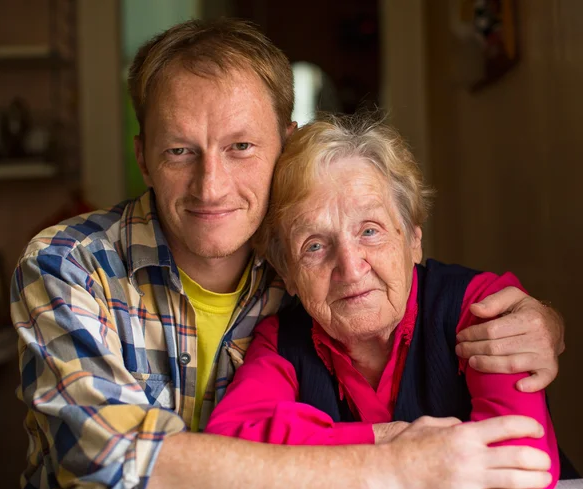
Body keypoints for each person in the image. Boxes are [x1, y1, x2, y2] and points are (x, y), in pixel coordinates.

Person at [10, 18, 565, 489]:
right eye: (180, 151)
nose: (212, 186)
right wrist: (388, 461)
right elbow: (111, 457)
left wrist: (545, 322)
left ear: (286, 143)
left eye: (241, 147)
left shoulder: (300, 264)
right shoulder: (69, 264)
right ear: (144, 157)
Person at [204, 112, 563, 487]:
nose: (350, 267)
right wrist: (388, 443)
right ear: (289, 274)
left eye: (370, 231)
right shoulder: (279, 340)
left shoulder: (480, 307)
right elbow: (230, 450)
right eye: (314, 245)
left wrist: (313, 459)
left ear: (413, 240)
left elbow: (522, 464)